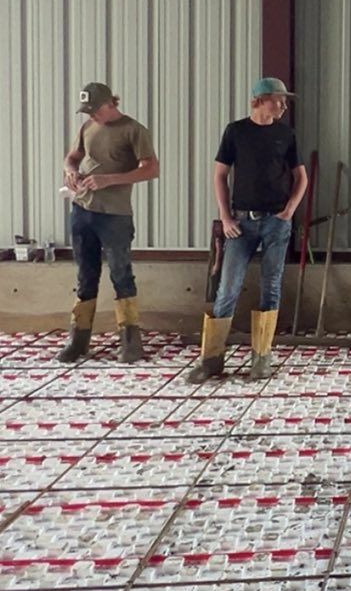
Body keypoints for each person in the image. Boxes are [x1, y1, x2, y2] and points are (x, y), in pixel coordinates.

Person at [188, 78, 308, 383]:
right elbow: (220, 176)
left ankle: (262, 358)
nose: (282, 105)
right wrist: (226, 218)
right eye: (277, 100)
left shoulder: (286, 134)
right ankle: (211, 359)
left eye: (283, 101)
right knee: (228, 287)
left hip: (276, 223)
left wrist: (289, 212)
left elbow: (301, 178)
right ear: (259, 101)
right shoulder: (236, 132)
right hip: (241, 222)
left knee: (271, 286)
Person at [58, 81, 160, 366]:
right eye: (87, 111)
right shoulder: (88, 128)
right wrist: (70, 171)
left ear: (110, 104)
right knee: (85, 275)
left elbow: (151, 169)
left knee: (121, 273)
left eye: (94, 110)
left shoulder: (134, 130)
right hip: (82, 209)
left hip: (115, 215)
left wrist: (109, 179)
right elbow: (73, 156)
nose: (91, 116)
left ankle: (130, 340)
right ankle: (78, 338)